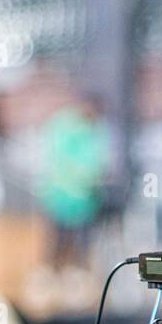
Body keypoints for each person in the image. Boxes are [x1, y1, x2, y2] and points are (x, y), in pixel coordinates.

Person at [40, 94, 111, 269]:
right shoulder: (78, 130)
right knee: (69, 244)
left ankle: (63, 274)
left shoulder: (64, 126)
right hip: (70, 196)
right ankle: (65, 275)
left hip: (72, 197)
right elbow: (89, 165)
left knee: (68, 244)